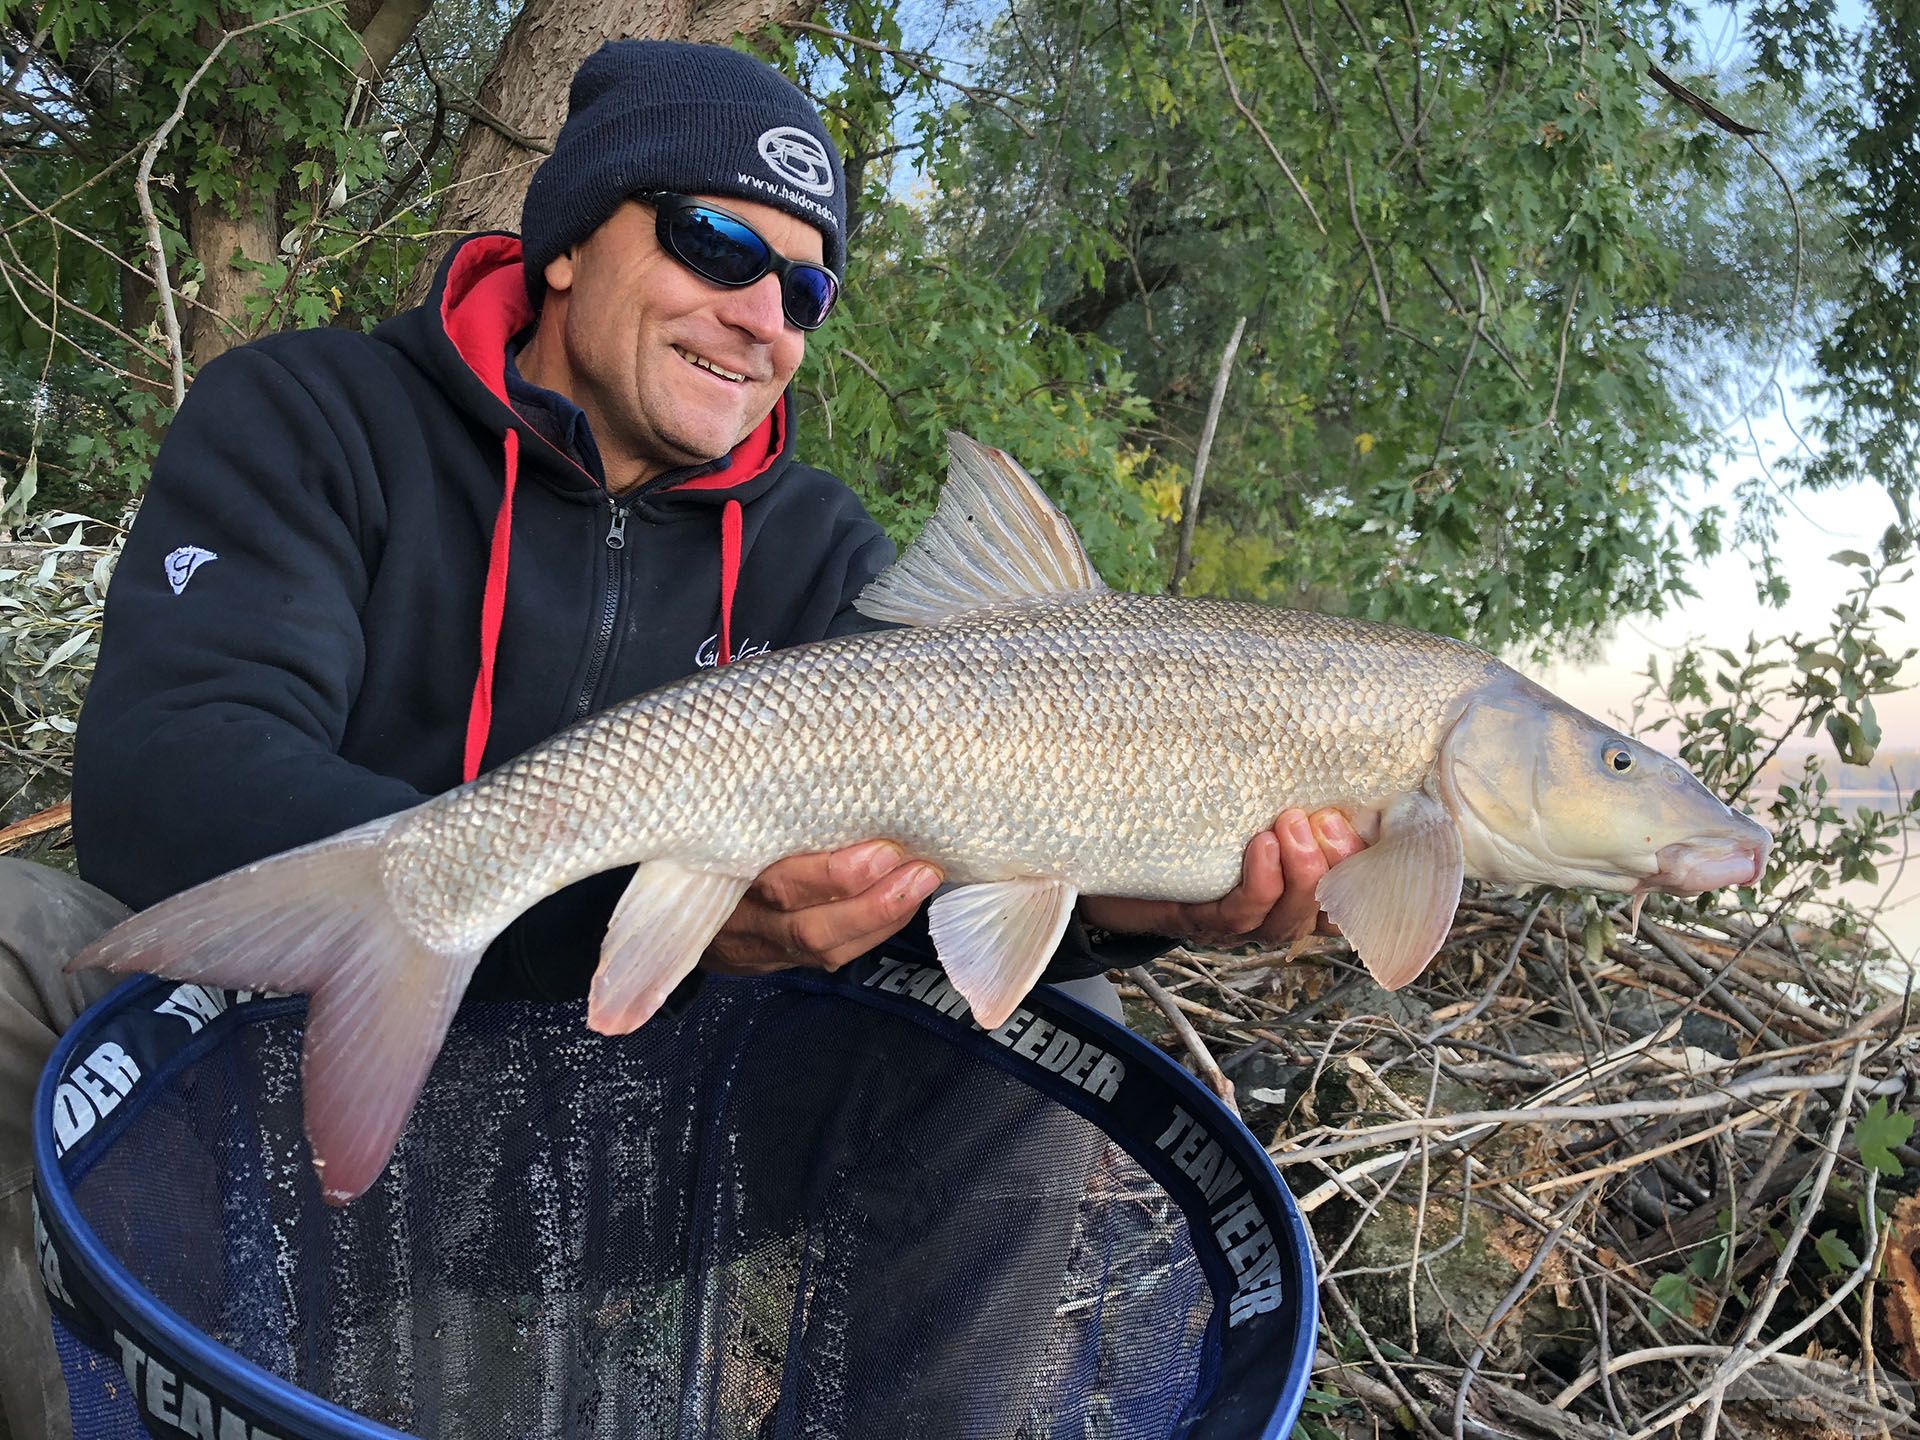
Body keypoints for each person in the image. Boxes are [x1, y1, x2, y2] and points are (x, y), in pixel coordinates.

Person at [0, 38, 1363, 1438]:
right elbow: (168, 785)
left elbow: (903, 913)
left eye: (806, 286)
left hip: (650, 1124)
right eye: (717, 241)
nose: (761, 312)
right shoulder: (313, 417)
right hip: (246, 1084)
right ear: (571, 244)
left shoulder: (824, 556)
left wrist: (1131, 903)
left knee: (1055, 1029)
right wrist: (591, 898)